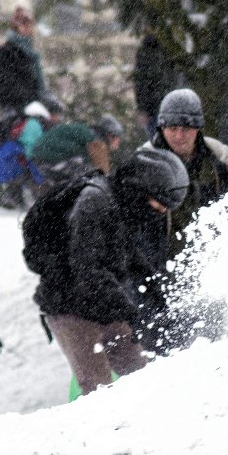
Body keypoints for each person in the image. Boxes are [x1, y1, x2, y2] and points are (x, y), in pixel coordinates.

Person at [32, 149, 188, 395]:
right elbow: (88, 269)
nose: (161, 212)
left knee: (139, 375)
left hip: (102, 303)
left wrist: (156, 290)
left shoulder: (122, 203)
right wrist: (129, 312)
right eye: (159, 205)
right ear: (141, 189)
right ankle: (107, 431)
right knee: (98, 388)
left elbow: (126, 255)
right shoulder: (94, 202)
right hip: (68, 306)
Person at [142, 89, 228, 350]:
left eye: (186, 128)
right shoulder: (144, 162)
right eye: (172, 128)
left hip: (209, 265)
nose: (179, 136)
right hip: (159, 270)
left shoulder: (219, 157)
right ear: (161, 127)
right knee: (165, 348)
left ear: (198, 128)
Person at [28, 114, 125, 188]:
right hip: (49, 158)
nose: (118, 144)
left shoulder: (89, 133)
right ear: (110, 135)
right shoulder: (97, 141)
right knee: (87, 174)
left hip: (39, 157)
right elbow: (103, 172)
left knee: (85, 171)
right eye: (118, 139)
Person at [0, 6, 47, 115]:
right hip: (15, 110)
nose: (28, 28)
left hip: (36, 106)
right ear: (16, 26)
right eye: (23, 23)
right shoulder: (5, 53)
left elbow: (39, 85)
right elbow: (0, 86)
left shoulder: (33, 54)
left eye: (29, 24)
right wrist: (28, 98)